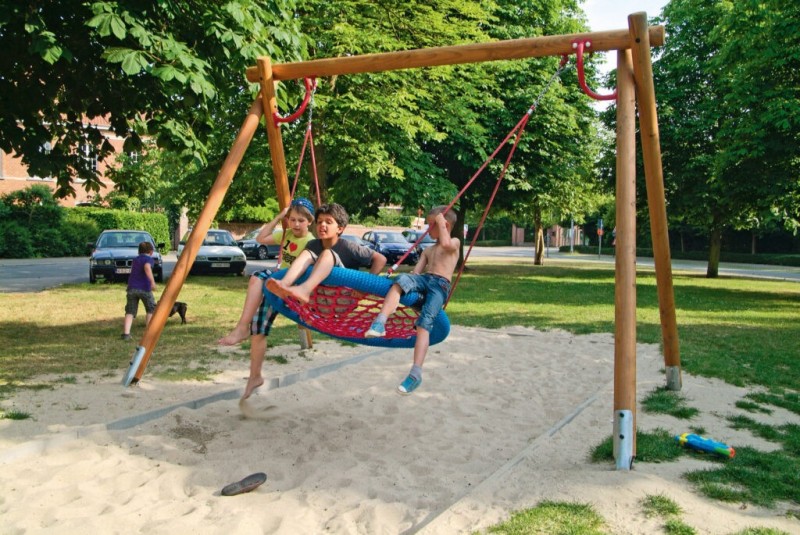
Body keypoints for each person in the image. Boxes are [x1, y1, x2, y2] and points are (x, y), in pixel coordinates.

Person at [217, 197, 315, 399]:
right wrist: (280, 216)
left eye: (301, 221)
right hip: (277, 288)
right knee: (258, 329)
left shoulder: (311, 242)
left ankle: (241, 327)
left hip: (294, 289)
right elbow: (261, 238)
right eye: (293, 219)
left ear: (310, 222)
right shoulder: (286, 234)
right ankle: (255, 376)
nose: (296, 224)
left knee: (256, 278)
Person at [365, 206, 459, 394]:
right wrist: (407, 280)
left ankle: (415, 374)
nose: (426, 229)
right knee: (400, 281)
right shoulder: (428, 250)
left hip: (440, 285)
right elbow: (417, 272)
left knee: (424, 324)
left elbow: (447, 244)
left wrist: (440, 224)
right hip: (425, 280)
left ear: (444, 225)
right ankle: (379, 323)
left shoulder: (454, 242)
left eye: (430, 224)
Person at [267, 202, 387, 306]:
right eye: (319, 222)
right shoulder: (313, 244)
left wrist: (364, 287)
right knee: (307, 253)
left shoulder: (348, 246)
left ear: (339, 229)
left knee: (328, 254)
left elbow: (380, 259)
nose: (322, 225)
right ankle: (284, 284)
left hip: (342, 298)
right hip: (320, 299)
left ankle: (304, 290)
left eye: (328, 222)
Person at [122, 241, 157, 340]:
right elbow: (146, 267)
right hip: (144, 288)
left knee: (130, 311)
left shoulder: (136, 259)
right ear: (151, 251)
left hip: (132, 288)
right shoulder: (149, 259)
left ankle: (126, 333)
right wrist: (152, 282)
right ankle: (149, 333)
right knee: (151, 309)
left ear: (139, 251)